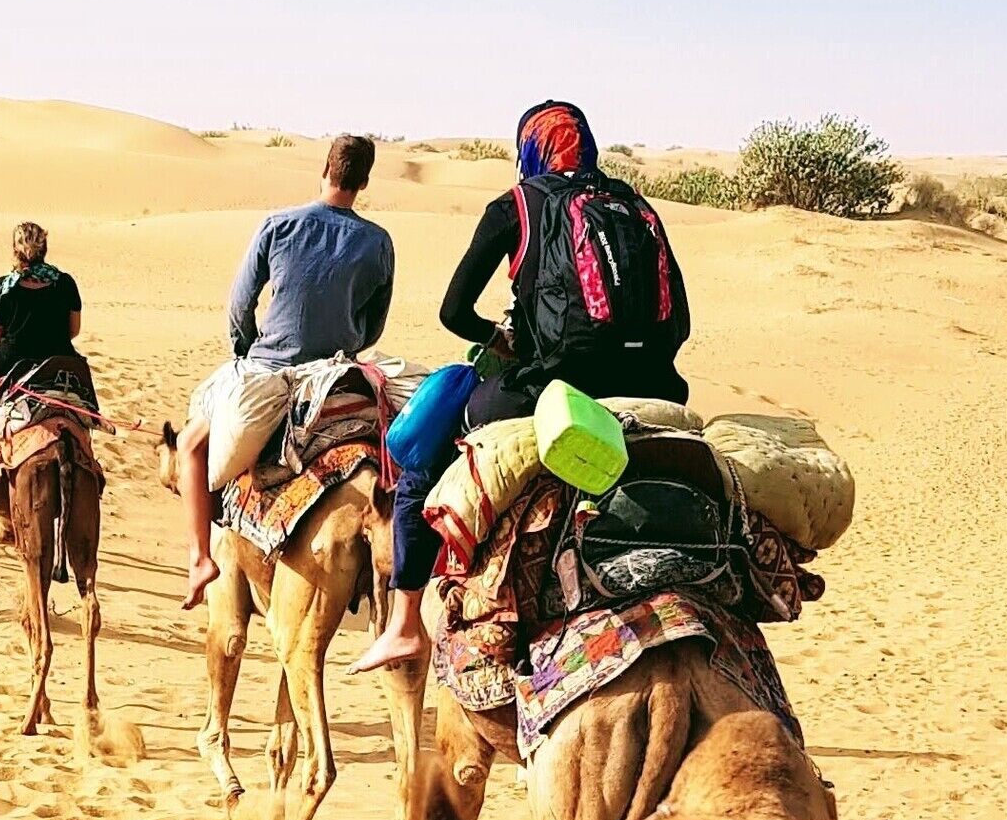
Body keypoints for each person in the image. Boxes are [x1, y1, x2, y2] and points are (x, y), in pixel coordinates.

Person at [355, 99, 690, 674]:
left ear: (530, 151)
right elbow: (679, 321)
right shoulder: (637, 207)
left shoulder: (518, 205)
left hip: (553, 389)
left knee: (425, 450)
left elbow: (454, 311)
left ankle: (404, 622)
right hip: (657, 389)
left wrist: (501, 338)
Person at [178, 135, 395, 606]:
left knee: (190, 444)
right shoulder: (378, 242)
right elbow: (374, 325)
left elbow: (240, 305)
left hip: (269, 366)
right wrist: (343, 340)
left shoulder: (279, 225)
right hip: (337, 373)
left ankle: (199, 558)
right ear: (363, 182)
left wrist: (247, 352)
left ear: (325, 169)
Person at [0, 222, 93, 458]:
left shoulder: (5, 286)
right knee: (86, 398)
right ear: (44, 249)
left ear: (15, 250)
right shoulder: (65, 283)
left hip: (12, 359)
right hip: (59, 357)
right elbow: (74, 330)